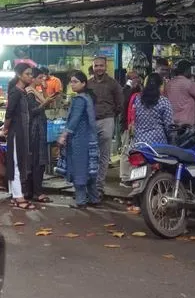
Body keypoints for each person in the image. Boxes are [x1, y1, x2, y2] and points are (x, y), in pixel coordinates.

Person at [58, 71, 100, 209]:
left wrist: (64, 135)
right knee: (89, 169)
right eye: (71, 81)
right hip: (89, 138)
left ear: (83, 83)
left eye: (75, 81)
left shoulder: (79, 100)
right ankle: (94, 198)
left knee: (79, 169)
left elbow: (74, 120)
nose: (72, 84)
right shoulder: (87, 97)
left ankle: (81, 201)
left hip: (79, 140)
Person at [88, 56, 123, 198]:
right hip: (91, 122)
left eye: (101, 65)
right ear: (93, 67)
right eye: (96, 66)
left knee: (104, 155)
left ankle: (99, 186)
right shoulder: (88, 84)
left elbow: (120, 103)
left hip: (107, 120)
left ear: (106, 66)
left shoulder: (113, 84)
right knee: (91, 155)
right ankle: (90, 186)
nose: (99, 68)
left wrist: (111, 115)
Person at [3, 63, 35, 209]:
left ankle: (14, 194)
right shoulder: (16, 92)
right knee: (16, 163)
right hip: (16, 132)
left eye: (31, 74)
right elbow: (9, 113)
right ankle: (18, 196)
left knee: (17, 162)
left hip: (21, 131)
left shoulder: (22, 91)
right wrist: (6, 128)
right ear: (19, 75)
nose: (30, 76)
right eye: (27, 74)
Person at [24, 68, 56, 202]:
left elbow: (46, 104)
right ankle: (36, 192)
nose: (43, 80)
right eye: (40, 78)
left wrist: (44, 91)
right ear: (33, 78)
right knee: (37, 161)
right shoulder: (29, 93)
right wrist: (45, 103)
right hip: (35, 131)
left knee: (38, 160)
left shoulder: (36, 91)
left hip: (40, 129)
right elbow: (32, 111)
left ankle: (32, 191)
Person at [133, 73, 173, 145]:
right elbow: (169, 127)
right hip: (159, 145)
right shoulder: (163, 101)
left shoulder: (137, 100)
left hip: (139, 143)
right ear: (160, 86)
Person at [119, 71, 141, 188]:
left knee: (132, 151)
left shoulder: (134, 90)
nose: (138, 79)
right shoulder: (126, 90)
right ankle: (125, 177)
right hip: (127, 125)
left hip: (133, 125)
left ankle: (131, 176)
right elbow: (124, 105)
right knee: (126, 151)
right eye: (135, 77)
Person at [166, 60, 195, 127]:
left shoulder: (169, 83)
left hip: (173, 120)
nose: (191, 73)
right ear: (187, 70)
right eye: (190, 70)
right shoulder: (188, 83)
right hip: (187, 122)